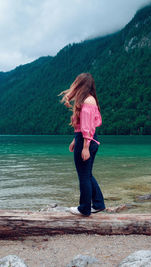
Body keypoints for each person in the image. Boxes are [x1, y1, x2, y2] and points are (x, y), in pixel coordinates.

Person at [59, 73, 105, 216]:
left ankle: (84, 208)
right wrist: (75, 140)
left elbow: (87, 126)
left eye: (76, 83)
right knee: (87, 174)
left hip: (87, 140)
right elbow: (82, 125)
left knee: (83, 176)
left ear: (81, 85)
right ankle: (98, 204)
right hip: (85, 139)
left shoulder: (88, 101)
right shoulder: (88, 100)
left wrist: (85, 147)